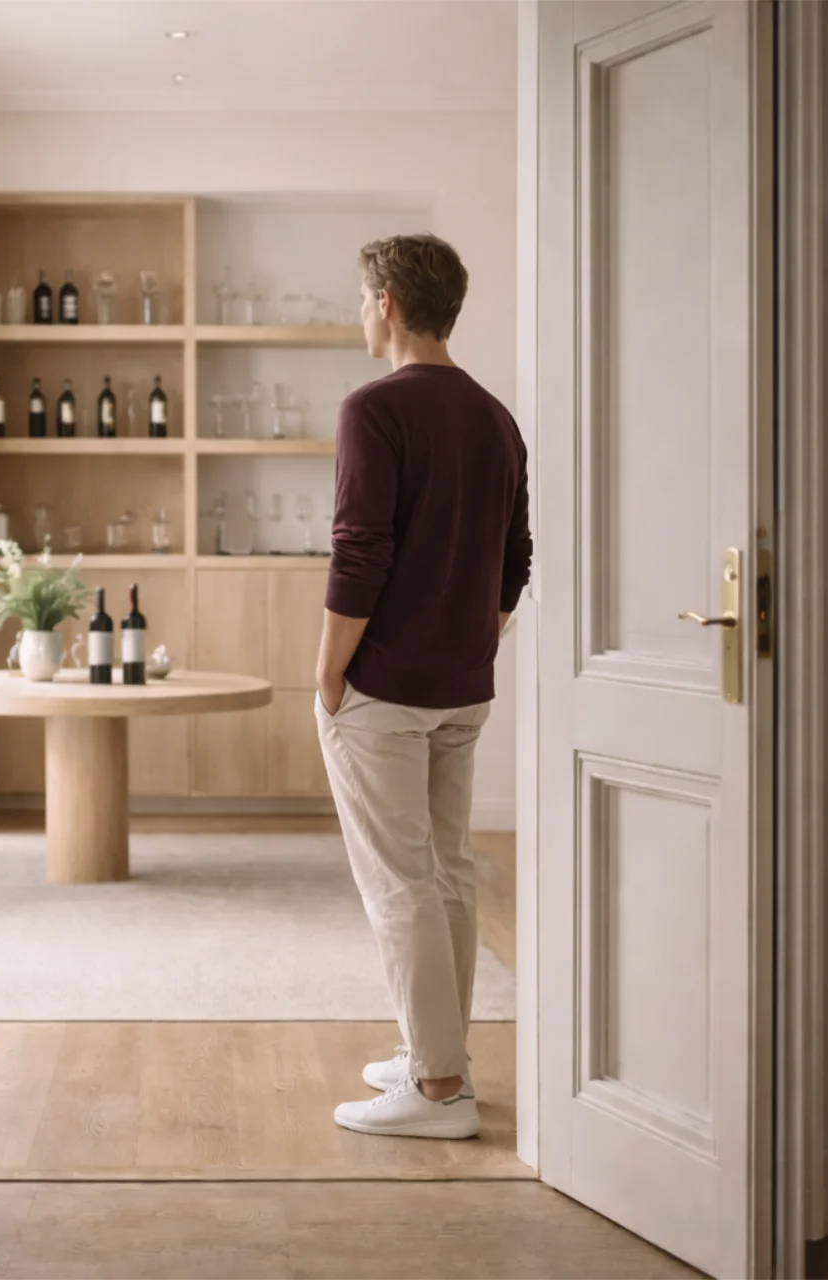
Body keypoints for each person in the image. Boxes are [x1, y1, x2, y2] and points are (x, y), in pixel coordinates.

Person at [315, 234, 531, 1139]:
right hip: (462, 687)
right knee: (446, 874)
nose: (362, 313)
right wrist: (472, 634)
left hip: (384, 687)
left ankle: (438, 1091)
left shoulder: (375, 409)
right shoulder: (494, 415)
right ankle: (438, 1057)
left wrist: (328, 669)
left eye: (365, 298)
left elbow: (361, 548)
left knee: (399, 884)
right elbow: (516, 560)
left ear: (391, 303)